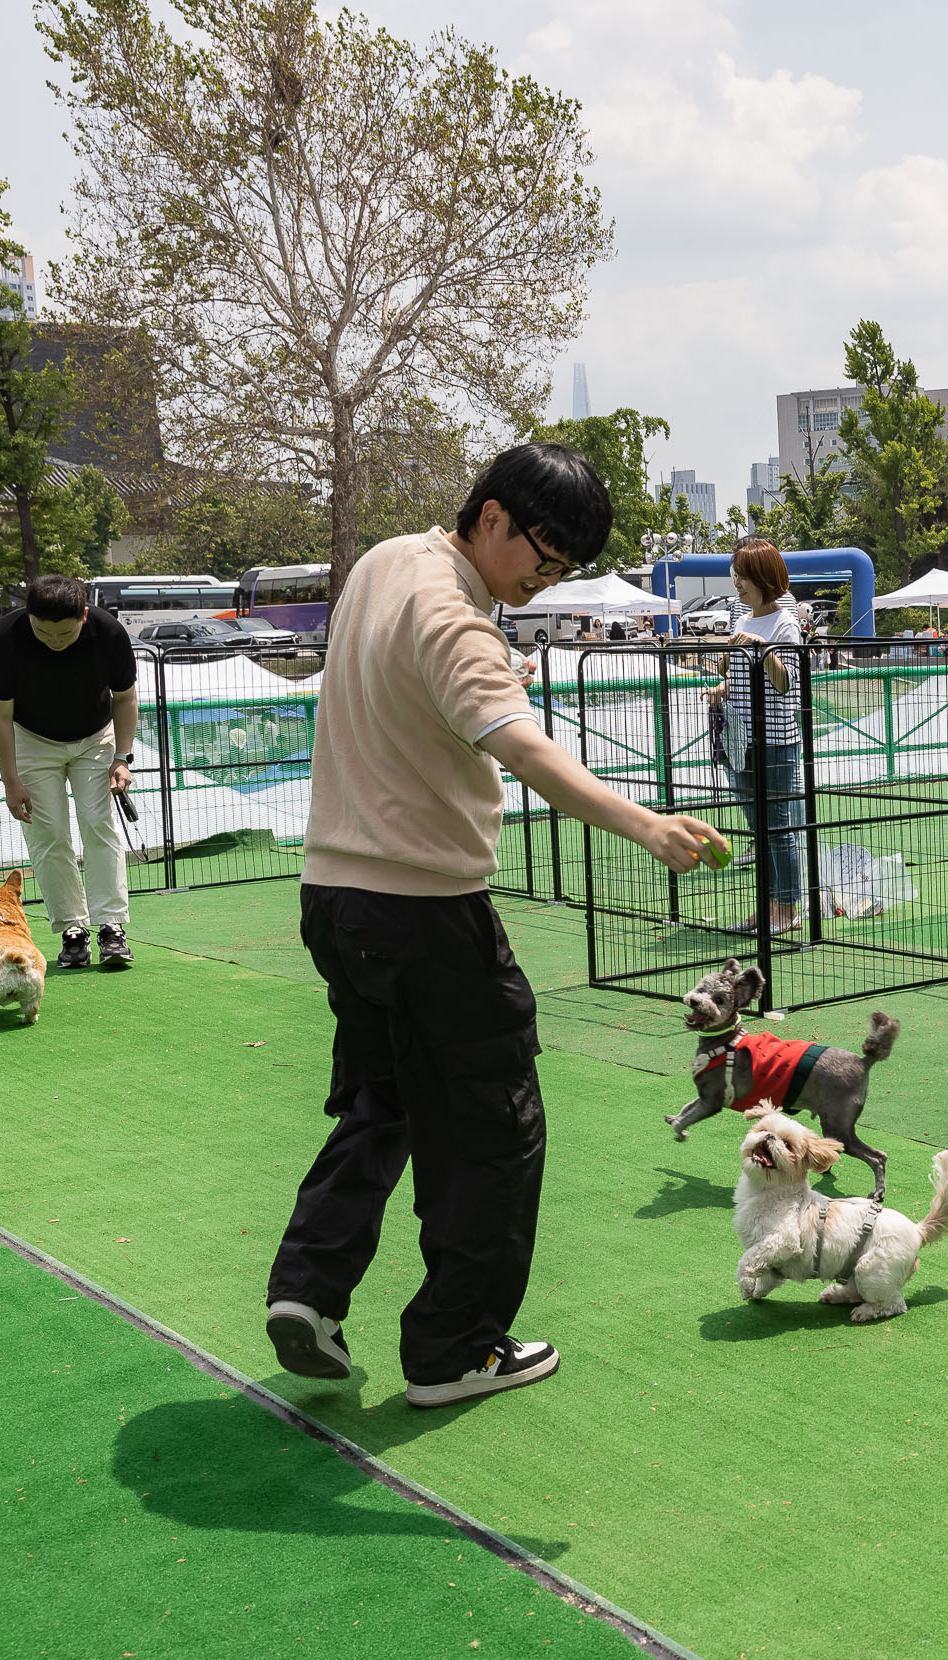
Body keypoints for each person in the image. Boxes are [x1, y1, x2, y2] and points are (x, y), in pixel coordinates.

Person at [264, 442, 726, 1409]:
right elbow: (520, 744)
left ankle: (308, 1288)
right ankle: (455, 1348)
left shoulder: (388, 563)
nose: (544, 579)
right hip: (425, 910)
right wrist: (644, 822)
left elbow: (410, 686)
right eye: (542, 558)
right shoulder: (456, 620)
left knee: (383, 1100)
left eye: (561, 570)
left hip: (333, 898)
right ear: (492, 520)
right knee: (494, 1128)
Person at [0, 574, 139, 971]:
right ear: (29, 617)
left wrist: (122, 756)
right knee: (47, 833)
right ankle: (73, 930)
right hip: (32, 740)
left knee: (97, 821)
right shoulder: (4, 640)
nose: (54, 641)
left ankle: (111, 927)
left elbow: (125, 697)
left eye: (65, 634)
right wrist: (10, 781)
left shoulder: (109, 634)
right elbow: (0, 718)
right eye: (43, 632)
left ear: (83, 616)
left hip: (95, 737)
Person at [714, 538, 807, 938]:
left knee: (778, 827)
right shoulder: (743, 620)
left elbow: (789, 683)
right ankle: (766, 909)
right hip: (742, 739)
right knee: (759, 830)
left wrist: (760, 648)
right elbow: (738, 676)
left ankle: (787, 911)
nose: (738, 583)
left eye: (745, 575)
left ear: (764, 578)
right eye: (737, 574)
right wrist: (724, 679)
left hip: (777, 741)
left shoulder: (783, 623)